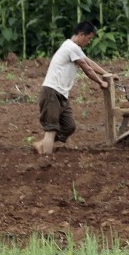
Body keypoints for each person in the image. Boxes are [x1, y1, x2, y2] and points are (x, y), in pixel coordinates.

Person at [34, 20, 118, 155]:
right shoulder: (70, 47)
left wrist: (106, 74)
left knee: (69, 126)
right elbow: (87, 69)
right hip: (51, 92)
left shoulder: (74, 48)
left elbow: (89, 62)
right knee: (51, 129)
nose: (89, 42)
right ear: (81, 35)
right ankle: (46, 160)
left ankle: (41, 145)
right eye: (89, 38)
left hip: (61, 94)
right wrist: (100, 82)